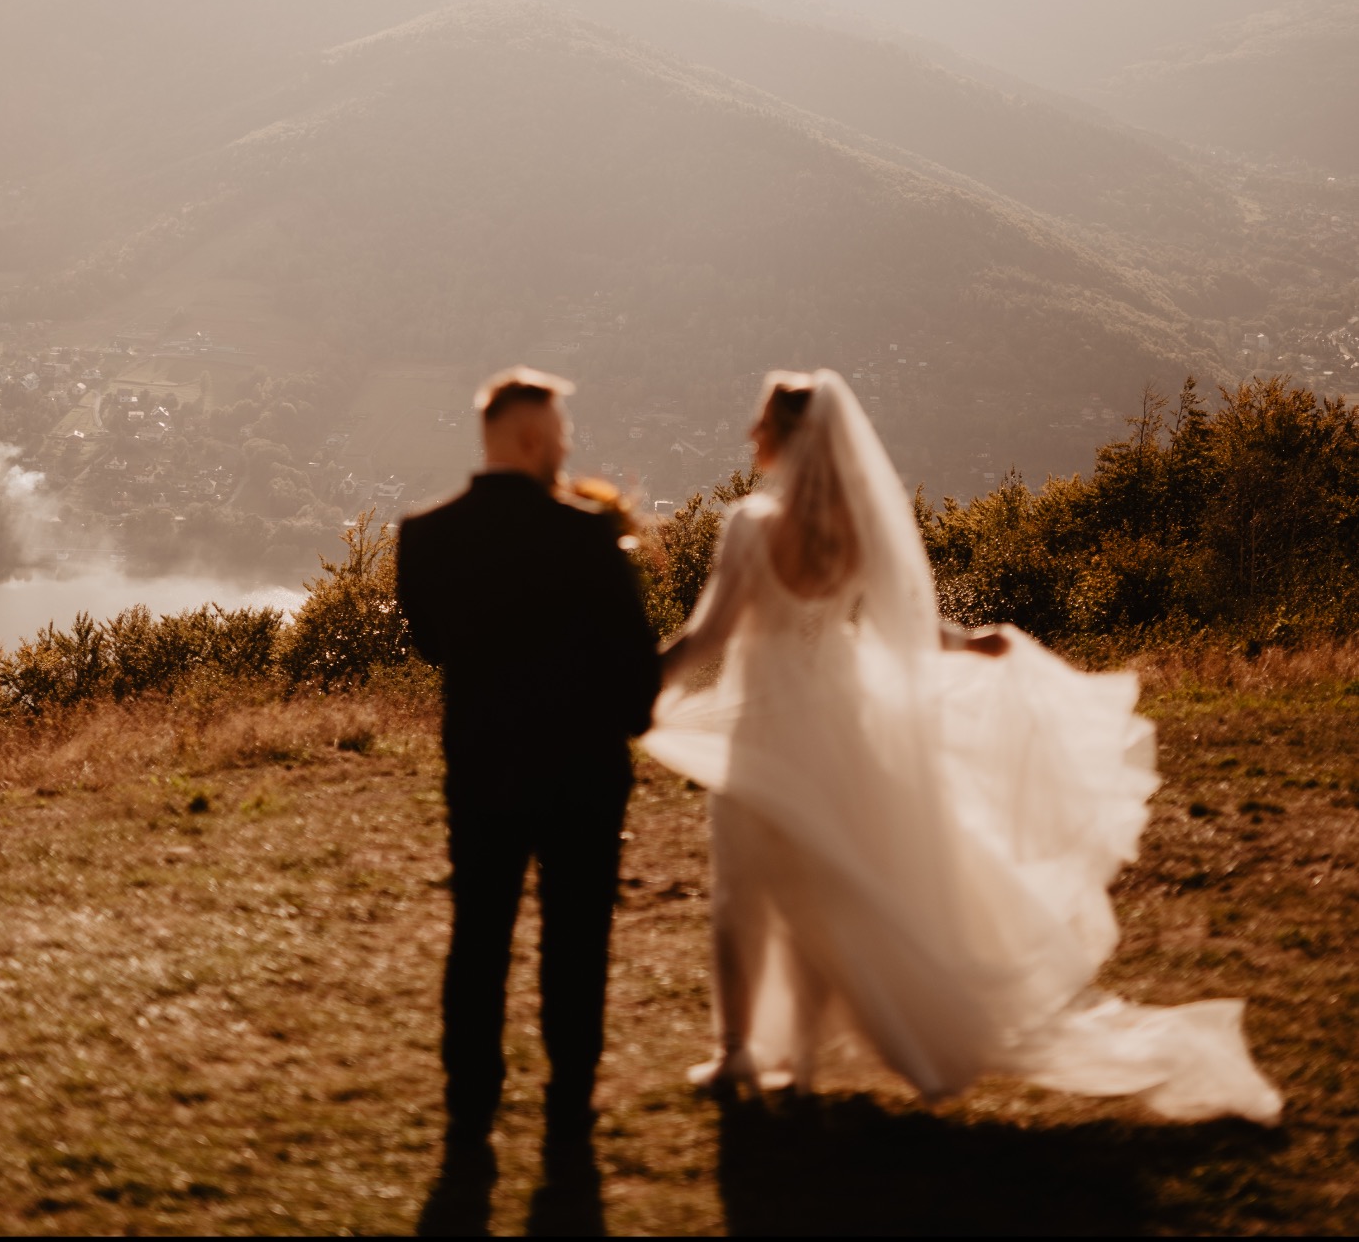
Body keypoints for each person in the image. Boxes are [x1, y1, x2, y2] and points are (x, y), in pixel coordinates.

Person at [646, 369, 1281, 1124]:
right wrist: (963, 642)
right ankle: (800, 1066)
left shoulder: (750, 525)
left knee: (739, 897)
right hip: (840, 733)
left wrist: (640, 682)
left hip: (764, 733)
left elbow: (708, 635)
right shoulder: (853, 533)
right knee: (817, 899)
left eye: (761, 425)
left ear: (786, 439)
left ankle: (735, 1053)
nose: (750, 436)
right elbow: (897, 626)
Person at [397, 367, 660, 1155]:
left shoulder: (424, 535)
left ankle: (470, 1109)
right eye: (561, 434)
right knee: (574, 942)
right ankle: (567, 1104)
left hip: (479, 764)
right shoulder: (586, 535)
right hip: (583, 775)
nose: (567, 446)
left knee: (478, 936)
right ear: (530, 437)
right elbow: (636, 681)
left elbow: (434, 647)